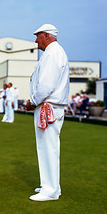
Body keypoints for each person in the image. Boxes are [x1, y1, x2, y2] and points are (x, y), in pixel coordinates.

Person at [25, 24, 69, 201]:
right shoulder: (53, 53)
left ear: (46, 35)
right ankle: (50, 186)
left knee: (48, 148)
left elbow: (46, 85)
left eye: (38, 36)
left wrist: (33, 101)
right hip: (48, 106)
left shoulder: (52, 53)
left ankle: (50, 191)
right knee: (46, 148)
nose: (36, 41)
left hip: (48, 106)